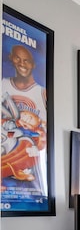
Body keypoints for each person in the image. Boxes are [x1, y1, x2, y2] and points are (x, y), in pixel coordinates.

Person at [1, 44, 47, 185]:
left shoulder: (43, 93)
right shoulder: (3, 84)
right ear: (11, 59)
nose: (21, 63)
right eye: (17, 58)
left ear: (33, 64)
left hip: (30, 165)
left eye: (26, 60)